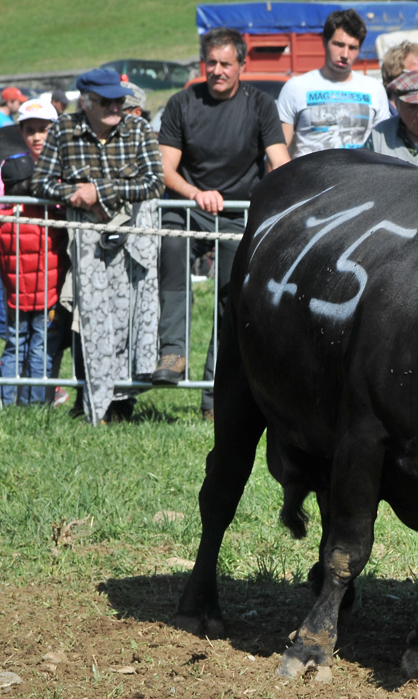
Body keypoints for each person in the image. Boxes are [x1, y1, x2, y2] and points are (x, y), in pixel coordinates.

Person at [155, 27, 291, 419]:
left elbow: (278, 162)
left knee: (232, 300)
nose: (217, 71)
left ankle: (215, 397)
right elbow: (166, 169)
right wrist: (196, 193)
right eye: (210, 63)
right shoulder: (182, 103)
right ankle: (173, 353)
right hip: (187, 207)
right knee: (173, 255)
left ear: (242, 66)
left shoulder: (261, 105)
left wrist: (273, 200)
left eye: (225, 64)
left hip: (238, 212)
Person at [31, 68, 164, 426]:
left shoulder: (138, 129)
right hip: (86, 241)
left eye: (120, 99)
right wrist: (75, 195)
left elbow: (155, 182)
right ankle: (92, 402)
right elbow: (40, 182)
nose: (116, 106)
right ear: (86, 102)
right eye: (107, 101)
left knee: (130, 320)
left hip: (133, 241)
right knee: (90, 321)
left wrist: (98, 191)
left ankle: (124, 402)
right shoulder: (63, 129)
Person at [0, 100, 67, 406]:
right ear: (21, 133)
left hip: (38, 274)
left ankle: (20, 402)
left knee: (27, 340)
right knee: (31, 340)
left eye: (43, 129)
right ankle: (30, 404)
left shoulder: (61, 168)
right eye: (30, 131)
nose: (37, 137)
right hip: (29, 277)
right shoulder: (11, 168)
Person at [276, 9, 389, 157]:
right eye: (339, 45)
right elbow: (278, 150)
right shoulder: (296, 87)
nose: (345, 55)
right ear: (324, 42)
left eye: (352, 48)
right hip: (310, 179)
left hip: (360, 178)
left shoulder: (374, 89)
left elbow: (384, 149)